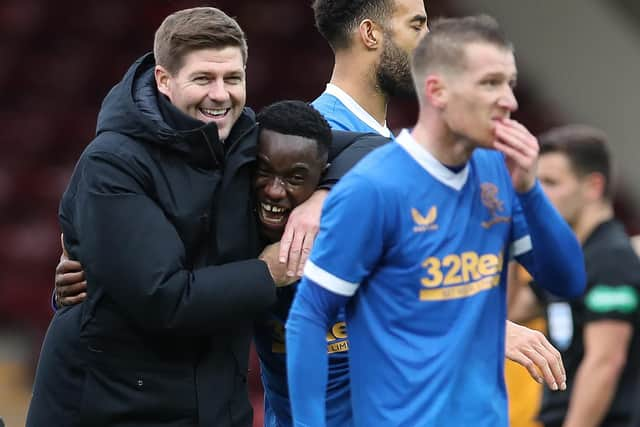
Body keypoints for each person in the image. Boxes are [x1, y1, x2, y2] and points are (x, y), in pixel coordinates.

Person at [27, 8, 362, 427]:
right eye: (203, 78)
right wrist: (269, 271)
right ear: (165, 80)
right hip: (110, 406)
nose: (220, 95)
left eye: (233, 79)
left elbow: (369, 149)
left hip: (216, 404)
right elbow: (165, 299)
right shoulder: (110, 164)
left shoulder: (247, 137)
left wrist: (323, 198)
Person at [285, 15, 586, 427]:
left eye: (510, 83)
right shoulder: (373, 189)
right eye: (490, 84)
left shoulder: (496, 172)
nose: (509, 101)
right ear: (437, 91)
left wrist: (530, 190)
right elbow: (309, 317)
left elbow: (568, 280)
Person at [524, 125, 639, 427]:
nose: (539, 193)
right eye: (536, 182)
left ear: (593, 187)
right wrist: (511, 228)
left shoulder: (610, 256)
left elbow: (605, 362)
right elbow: (511, 312)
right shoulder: (566, 257)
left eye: (550, 182)